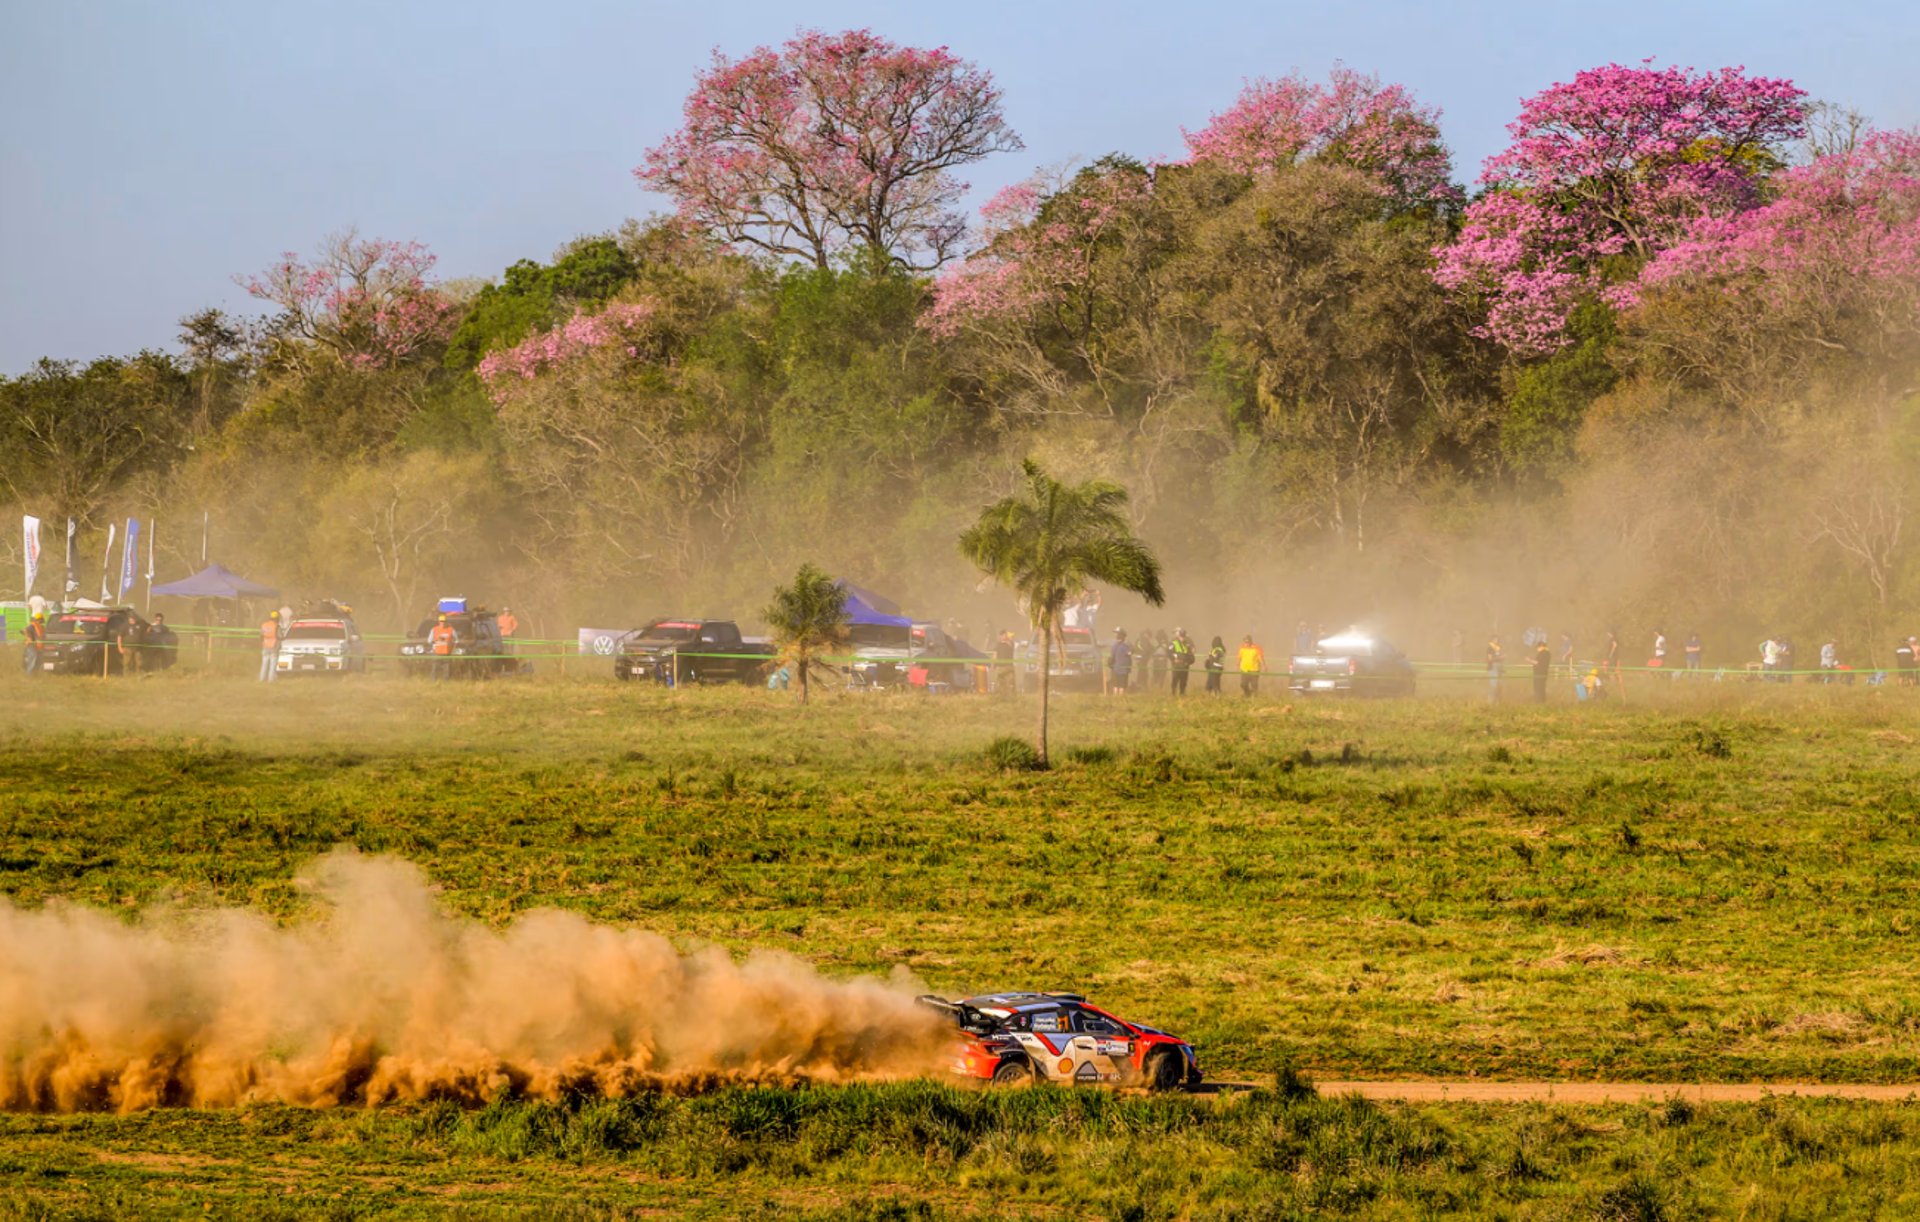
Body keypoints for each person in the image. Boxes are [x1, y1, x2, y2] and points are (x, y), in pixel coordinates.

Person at [430, 614, 458, 680]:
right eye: (441, 621)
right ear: (438, 622)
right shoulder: (434, 629)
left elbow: (457, 640)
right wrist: (435, 642)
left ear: (446, 621)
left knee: (447, 668)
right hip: (437, 652)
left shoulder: (451, 629)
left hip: (447, 652)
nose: (442, 622)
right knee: (435, 667)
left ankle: (446, 681)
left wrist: (453, 648)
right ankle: (433, 681)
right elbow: (429, 640)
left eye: (444, 621)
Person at [1168, 628, 1194, 695]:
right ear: (1179, 636)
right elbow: (1169, 653)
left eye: (1183, 636)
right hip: (1176, 666)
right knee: (1175, 681)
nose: (1182, 638)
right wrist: (1174, 659)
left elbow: (1191, 656)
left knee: (1183, 682)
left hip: (1185, 667)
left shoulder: (1187, 645)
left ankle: (1182, 694)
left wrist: (1188, 662)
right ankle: (1173, 694)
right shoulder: (1173, 643)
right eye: (1181, 636)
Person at [21, 611, 46, 677]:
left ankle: (35, 674)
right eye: (40, 620)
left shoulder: (42, 627)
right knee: (32, 658)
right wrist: (29, 637)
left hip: (38, 646)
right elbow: (23, 630)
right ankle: (29, 675)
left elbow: (43, 636)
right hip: (31, 646)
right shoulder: (31, 626)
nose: (41, 621)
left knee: (39, 660)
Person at [1107, 628, 1132, 694]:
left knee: (1116, 685)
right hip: (1123, 670)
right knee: (1121, 686)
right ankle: (1120, 698)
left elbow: (1111, 657)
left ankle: (1116, 698)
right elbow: (1130, 652)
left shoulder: (1114, 646)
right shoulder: (1125, 646)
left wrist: (1110, 665)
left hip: (1115, 669)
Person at [259, 610, 280, 683]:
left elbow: (261, 636)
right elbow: (280, 636)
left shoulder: (264, 625)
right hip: (274, 647)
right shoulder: (276, 626)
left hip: (265, 646)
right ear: (277, 618)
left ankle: (262, 678)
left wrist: (263, 643)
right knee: (272, 664)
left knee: (264, 664)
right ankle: (271, 679)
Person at [993, 629, 1016, 697]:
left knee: (1010, 683)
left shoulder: (1010, 643)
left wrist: (1008, 638)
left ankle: (1011, 696)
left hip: (1009, 666)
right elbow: (995, 655)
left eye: (1006, 635)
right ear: (1001, 636)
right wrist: (994, 665)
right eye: (1004, 635)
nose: (1005, 636)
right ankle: (1001, 695)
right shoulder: (998, 645)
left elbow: (1011, 643)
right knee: (1001, 683)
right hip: (1001, 667)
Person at [1532, 637, 1551, 704]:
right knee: (1542, 687)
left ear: (1541, 646)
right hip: (1544, 672)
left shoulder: (1543, 653)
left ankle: (1539, 700)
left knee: (1538, 687)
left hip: (1539, 673)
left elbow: (1538, 662)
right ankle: (1542, 700)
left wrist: (1530, 660)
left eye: (1538, 647)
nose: (1537, 649)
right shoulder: (1547, 653)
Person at [1486, 634, 1504, 704]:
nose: (1497, 640)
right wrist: (1500, 658)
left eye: (1497, 639)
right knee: (1493, 685)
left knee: (1499, 685)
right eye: (1495, 639)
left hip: (1499, 667)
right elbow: (1490, 659)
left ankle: (1497, 701)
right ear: (1492, 640)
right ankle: (1490, 701)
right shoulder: (1490, 648)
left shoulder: (1498, 648)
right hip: (1493, 667)